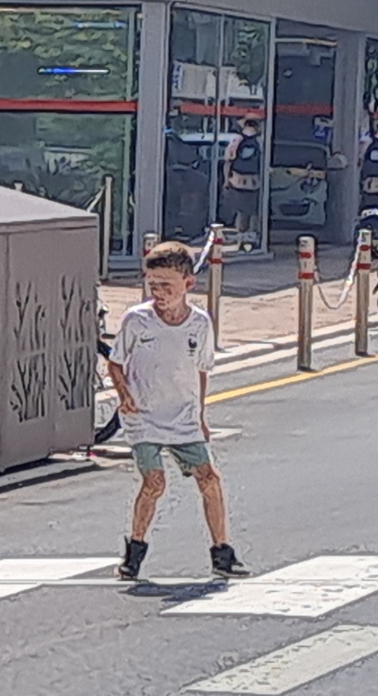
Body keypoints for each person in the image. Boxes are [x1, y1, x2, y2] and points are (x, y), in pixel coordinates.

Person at [109, 239, 248, 582]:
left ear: (188, 284)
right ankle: (135, 551)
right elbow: (115, 363)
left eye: (166, 286)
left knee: (209, 478)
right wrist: (124, 395)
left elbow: (201, 369)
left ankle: (222, 553)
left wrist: (200, 415)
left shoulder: (199, 323)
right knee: (154, 482)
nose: (159, 293)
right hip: (143, 416)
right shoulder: (137, 320)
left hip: (182, 416)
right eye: (152, 285)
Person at [220, 116, 264, 232]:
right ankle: (252, 235)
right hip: (255, 182)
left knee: (241, 212)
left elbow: (228, 162)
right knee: (254, 212)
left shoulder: (236, 140)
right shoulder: (261, 141)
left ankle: (241, 234)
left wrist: (226, 180)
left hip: (238, 181)